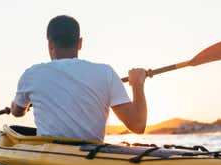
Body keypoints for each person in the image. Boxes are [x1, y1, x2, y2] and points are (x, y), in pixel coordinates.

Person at [10, 15, 148, 142]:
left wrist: (18, 106)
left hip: (49, 155)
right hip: (90, 156)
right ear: (80, 43)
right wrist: (137, 83)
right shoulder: (106, 72)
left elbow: (17, 112)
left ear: (50, 44)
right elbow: (138, 126)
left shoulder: (32, 74)